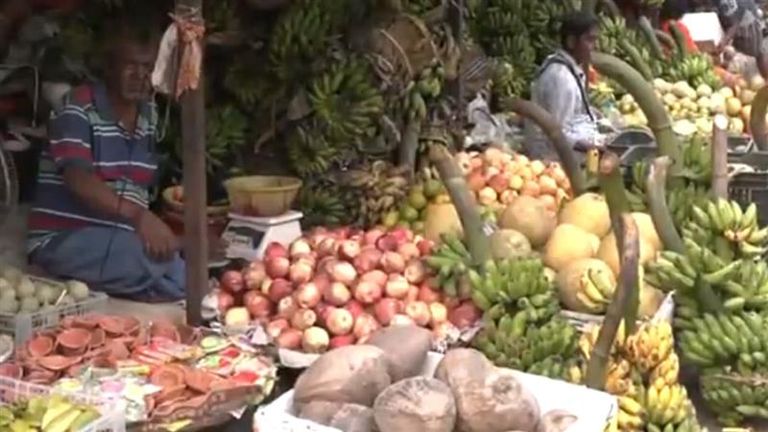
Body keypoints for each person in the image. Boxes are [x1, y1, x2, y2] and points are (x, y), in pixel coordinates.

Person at [27, 15, 185, 302]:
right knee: (158, 264)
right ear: (109, 67)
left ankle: (159, 282)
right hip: (65, 238)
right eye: (130, 66)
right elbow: (78, 180)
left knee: (181, 262)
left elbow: (135, 190)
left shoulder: (149, 115)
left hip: (120, 238)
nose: (140, 76)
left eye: (148, 68)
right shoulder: (77, 107)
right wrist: (140, 217)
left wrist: (179, 238)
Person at [524, 11, 601, 161]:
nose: (594, 47)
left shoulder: (567, 68)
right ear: (571, 41)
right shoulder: (561, 78)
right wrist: (593, 148)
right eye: (589, 40)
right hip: (551, 159)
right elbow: (558, 133)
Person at [714, 0, 768, 79]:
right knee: (728, 56)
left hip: (746, 23)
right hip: (737, 20)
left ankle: (766, 80)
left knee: (758, 52)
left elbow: (735, 23)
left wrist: (724, 41)